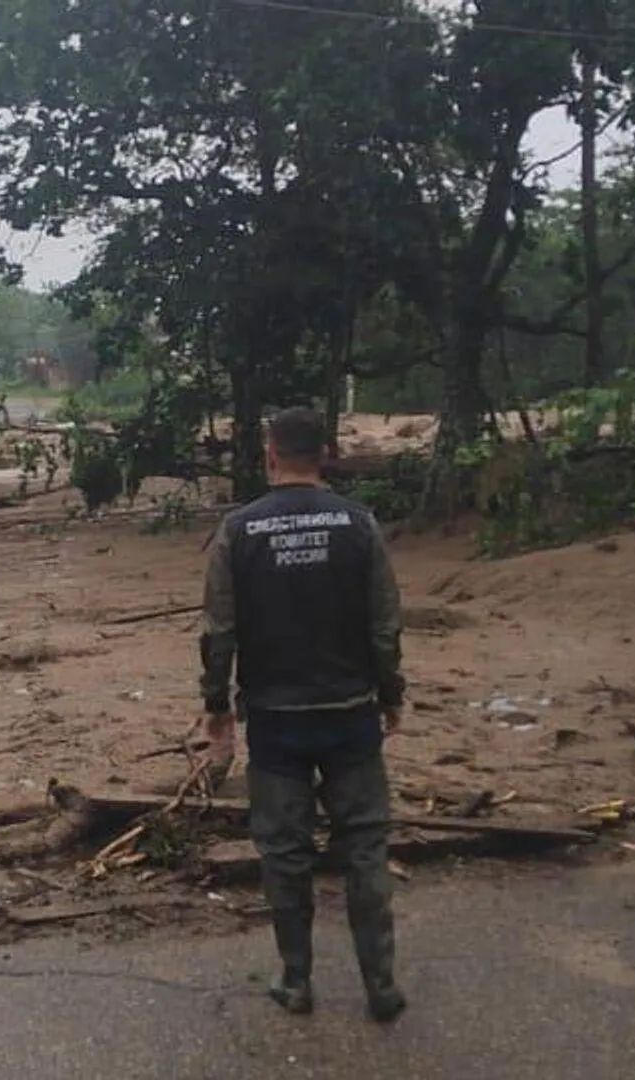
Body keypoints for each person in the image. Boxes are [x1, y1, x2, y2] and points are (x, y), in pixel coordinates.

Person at [198, 405, 408, 1022]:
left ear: (269, 455)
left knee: (285, 854)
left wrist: (217, 709)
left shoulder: (239, 531)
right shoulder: (360, 525)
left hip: (276, 720)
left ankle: (296, 980)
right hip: (350, 716)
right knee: (366, 848)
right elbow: (384, 627)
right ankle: (381, 984)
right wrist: (391, 694)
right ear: (326, 454)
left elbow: (219, 632)